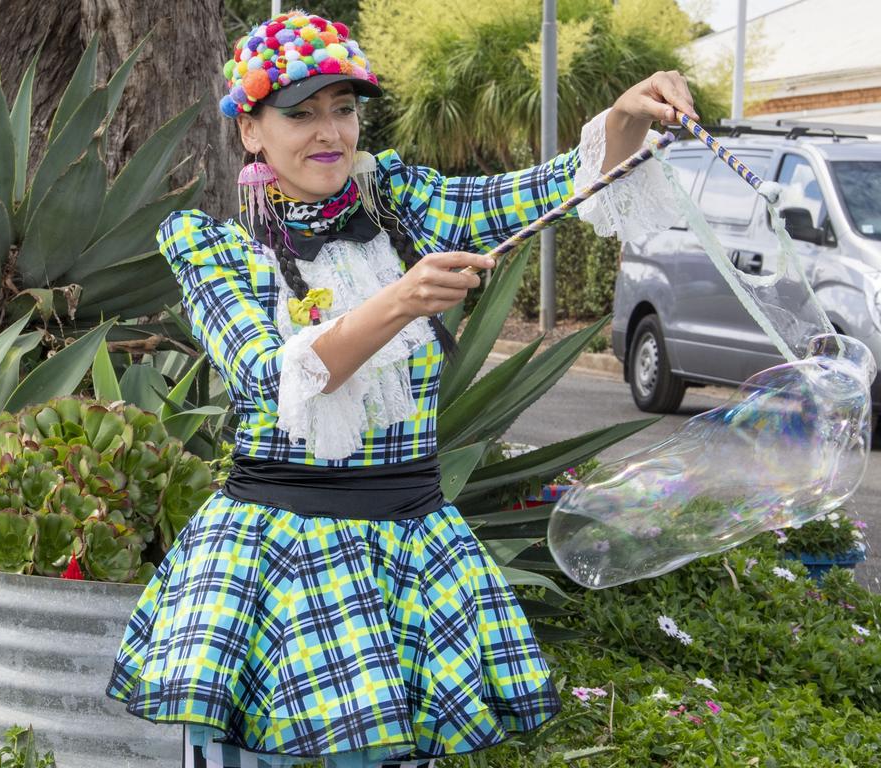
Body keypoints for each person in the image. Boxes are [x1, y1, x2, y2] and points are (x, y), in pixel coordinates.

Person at [106, 9, 696, 768]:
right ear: (251, 130)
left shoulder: (403, 204)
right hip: (281, 558)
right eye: (302, 113)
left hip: (412, 552)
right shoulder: (213, 246)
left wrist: (621, 118)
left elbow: (542, 192)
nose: (330, 131)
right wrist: (399, 301)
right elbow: (265, 374)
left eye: (344, 109)